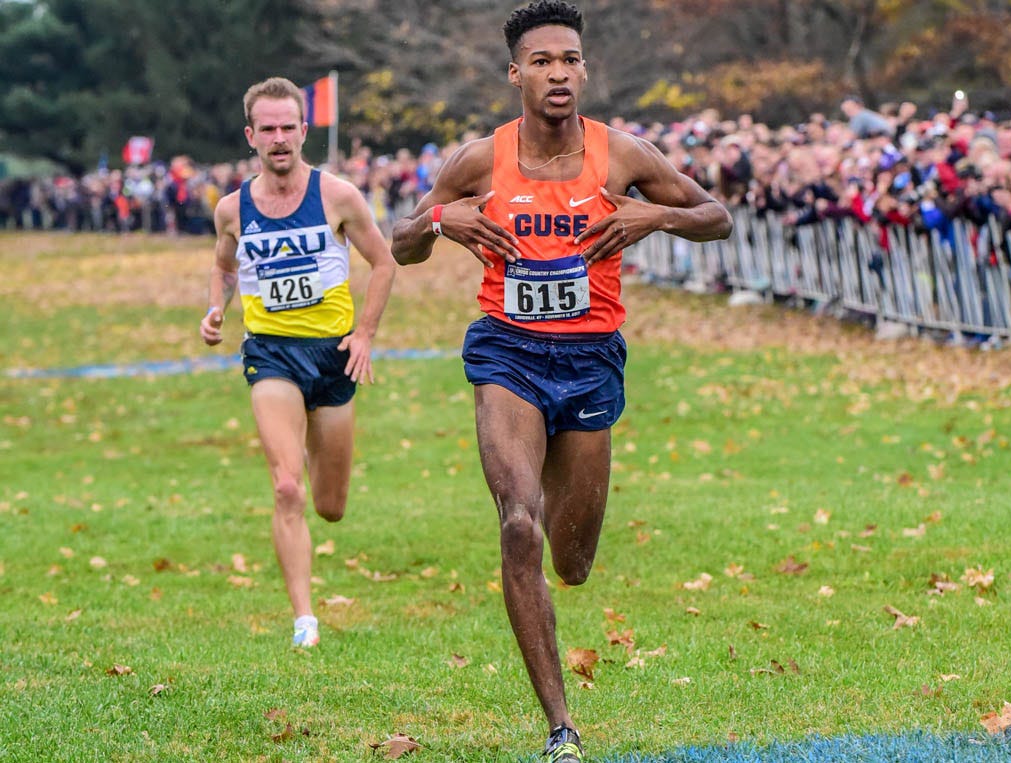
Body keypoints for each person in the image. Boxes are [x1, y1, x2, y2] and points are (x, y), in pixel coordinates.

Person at [389, 2, 731, 759]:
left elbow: (718, 215)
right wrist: (447, 222)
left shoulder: (624, 155)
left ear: (585, 70)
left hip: (590, 359)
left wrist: (653, 220)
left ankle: (560, 605)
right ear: (516, 74)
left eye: (570, 59)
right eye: (542, 60)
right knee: (519, 522)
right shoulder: (479, 159)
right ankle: (561, 727)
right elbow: (403, 241)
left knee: (572, 563)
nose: (558, 72)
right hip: (506, 351)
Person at [199, 77, 397, 648]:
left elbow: (383, 264)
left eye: (289, 127)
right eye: (269, 129)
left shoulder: (337, 196)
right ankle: (304, 620)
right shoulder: (233, 208)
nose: (280, 138)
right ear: (251, 135)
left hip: (333, 356)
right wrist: (216, 309)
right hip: (271, 354)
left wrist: (364, 335)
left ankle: (312, 451)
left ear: (304, 131)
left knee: (330, 506)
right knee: (287, 487)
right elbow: (225, 266)